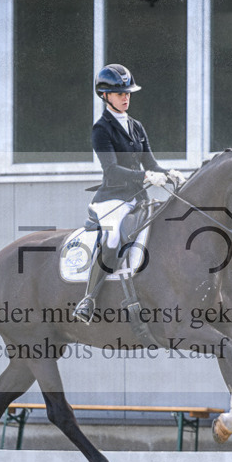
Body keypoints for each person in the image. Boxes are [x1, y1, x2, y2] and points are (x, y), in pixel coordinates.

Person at [72, 63, 184, 323]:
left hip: (137, 200)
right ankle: (88, 299)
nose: (126, 97)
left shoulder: (136, 126)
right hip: (112, 199)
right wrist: (145, 177)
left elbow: (151, 164)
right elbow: (112, 170)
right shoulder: (101, 129)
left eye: (128, 93)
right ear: (105, 96)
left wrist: (169, 173)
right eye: (120, 93)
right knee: (112, 240)